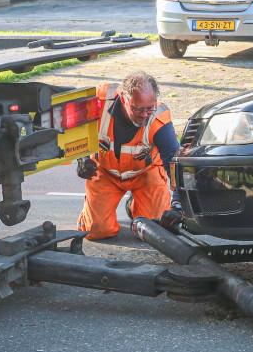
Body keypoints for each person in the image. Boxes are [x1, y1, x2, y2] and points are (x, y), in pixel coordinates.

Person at [76, 71, 179, 240]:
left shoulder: (159, 119)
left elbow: (175, 163)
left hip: (146, 174)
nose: (145, 114)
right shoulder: (98, 103)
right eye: (138, 108)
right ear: (124, 98)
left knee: (156, 230)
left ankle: (134, 205)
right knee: (96, 232)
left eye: (149, 108)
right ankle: (90, 213)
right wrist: (82, 159)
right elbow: (75, 132)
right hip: (105, 173)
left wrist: (177, 206)